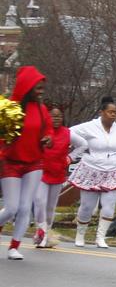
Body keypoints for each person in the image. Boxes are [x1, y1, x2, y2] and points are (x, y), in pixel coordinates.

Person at [68, 96, 116, 249]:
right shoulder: (89, 127)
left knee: (109, 206)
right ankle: (80, 235)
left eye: (115, 112)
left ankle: (100, 237)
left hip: (112, 171)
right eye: (110, 112)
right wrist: (82, 146)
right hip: (91, 169)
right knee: (87, 207)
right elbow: (69, 132)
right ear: (102, 112)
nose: (113, 114)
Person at [0, 66, 52, 260]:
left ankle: (14, 246)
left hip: (34, 163)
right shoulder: (8, 107)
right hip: (11, 162)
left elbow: (49, 131)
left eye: (42, 88)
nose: (41, 92)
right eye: (37, 88)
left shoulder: (41, 109)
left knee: (25, 207)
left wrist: (48, 138)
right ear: (27, 86)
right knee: (12, 207)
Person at [33, 104, 71, 248]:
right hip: (41, 172)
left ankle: (46, 234)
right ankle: (41, 234)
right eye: (53, 116)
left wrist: (70, 158)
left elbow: (83, 144)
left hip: (57, 173)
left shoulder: (67, 132)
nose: (56, 118)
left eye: (59, 116)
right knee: (39, 202)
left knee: (50, 208)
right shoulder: (41, 131)